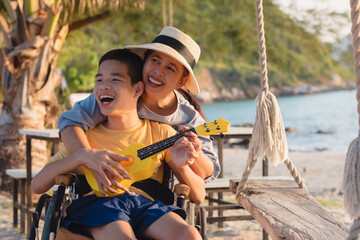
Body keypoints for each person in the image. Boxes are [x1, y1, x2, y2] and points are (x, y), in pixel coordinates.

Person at [32, 49, 204, 240]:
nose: (104, 86)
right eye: (99, 80)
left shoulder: (161, 134)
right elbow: (37, 185)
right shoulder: (85, 139)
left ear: (137, 89)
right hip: (100, 205)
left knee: (190, 234)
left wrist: (183, 168)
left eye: (115, 80)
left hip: (143, 205)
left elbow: (198, 196)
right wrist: (81, 156)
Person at [57, 26, 220, 193]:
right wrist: (88, 157)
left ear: (181, 82)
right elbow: (69, 122)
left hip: (151, 191)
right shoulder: (120, 95)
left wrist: (195, 152)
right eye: (155, 61)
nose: (159, 71)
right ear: (144, 62)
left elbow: (209, 172)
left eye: (170, 68)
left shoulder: (188, 119)